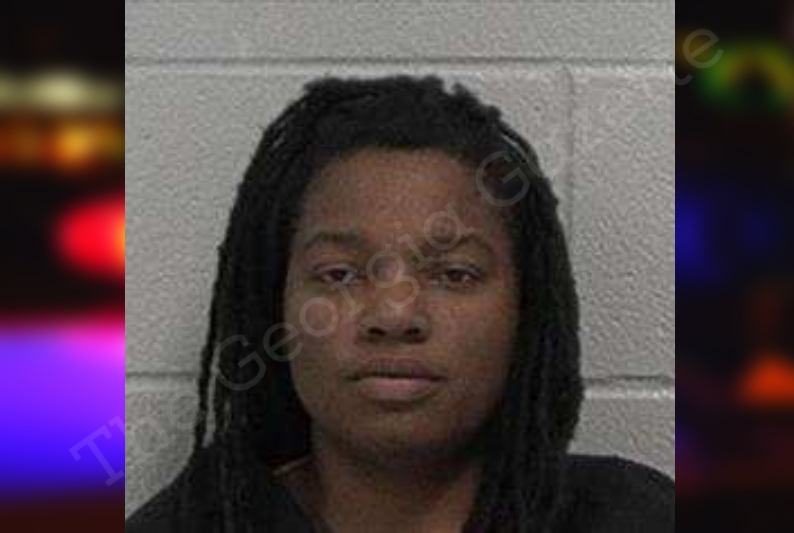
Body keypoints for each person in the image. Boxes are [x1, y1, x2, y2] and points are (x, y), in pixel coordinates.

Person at [126, 75, 674, 532]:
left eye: (454, 274)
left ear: (524, 312)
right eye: (339, 274)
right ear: (278, 306)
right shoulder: (194, 522)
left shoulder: (632, 518)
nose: (393, 315)